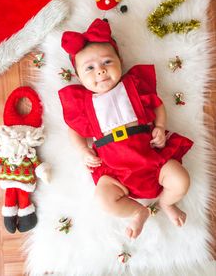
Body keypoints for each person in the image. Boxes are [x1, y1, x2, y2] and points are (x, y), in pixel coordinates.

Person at [58, 18, 193, 239]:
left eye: (107, 62)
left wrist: (160, 126)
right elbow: (73, 129)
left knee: (181, 180)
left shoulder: (132, 85)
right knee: (104, 200)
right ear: (79, 77)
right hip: (115, 172)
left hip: (151, 160)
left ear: (120, 61)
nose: (100, 71)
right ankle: (138, 211)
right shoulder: (84, 103)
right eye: (90, 68)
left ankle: (167, 203)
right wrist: (83, 151)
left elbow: (157, 104)